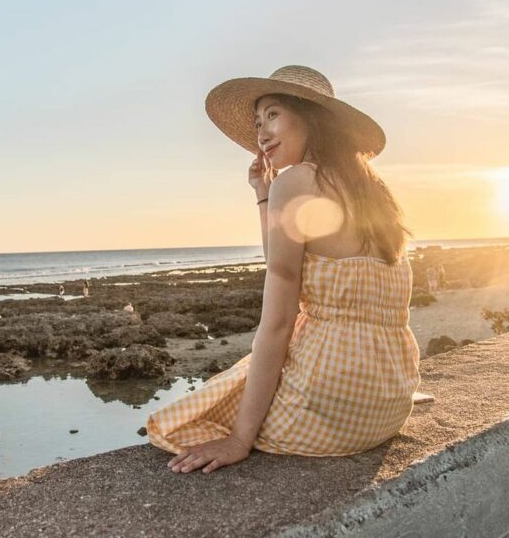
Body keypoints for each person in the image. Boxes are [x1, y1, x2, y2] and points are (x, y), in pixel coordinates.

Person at [146, 65, 421, 474]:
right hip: (387, 400)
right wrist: (263, 196)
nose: (260, 133)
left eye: (272, 114)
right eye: (257, 121)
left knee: (186, 419)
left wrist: (240, 439)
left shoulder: (295, 180)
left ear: (310, 117)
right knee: (239, 379)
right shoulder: (375, 196)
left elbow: (277, 322)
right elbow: (285, 261)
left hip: (331, 408)